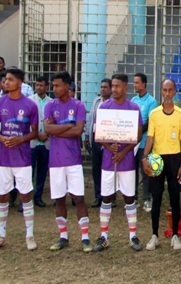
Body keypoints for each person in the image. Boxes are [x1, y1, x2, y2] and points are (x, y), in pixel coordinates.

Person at [93, 74, 143, 252]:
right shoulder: (104, 107)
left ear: (125, 88)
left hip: (127, 160)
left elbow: (137, 136)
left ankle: (132, 236)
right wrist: (109, 146)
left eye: (117, 86)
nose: (114, 89)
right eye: (112, 86)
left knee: (129, 198)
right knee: (106, 197)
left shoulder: (133, 108)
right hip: (109, 160)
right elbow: (98, 134)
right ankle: (104, 236)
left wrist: (123, 151)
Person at [43, 71, 91, 252]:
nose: (54, 89)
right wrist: (67, 126)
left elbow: (78, 131)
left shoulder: (77, 105)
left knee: (79, 198)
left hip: (73, 160)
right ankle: (63, 236)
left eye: (57, 85)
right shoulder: (49, 106)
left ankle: (85, 238)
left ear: (66, 86)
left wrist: (56, 129)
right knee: (59, 199)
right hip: (55, 161)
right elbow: (47, 129)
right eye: (53, 85)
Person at [142, 79, 181, 251]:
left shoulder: (180, 114)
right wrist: (144, 156)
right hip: (157, 159)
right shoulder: (154, 114)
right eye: (164, 90)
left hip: (175, 159)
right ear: (161, 92)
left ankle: (175, 235)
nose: (167, 94)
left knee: (174, 197)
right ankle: (154, 235)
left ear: (175, 92)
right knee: (157, 197)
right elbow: (150, 137)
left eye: (170, 90)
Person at [0, 68, 39, 250]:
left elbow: (35, 132)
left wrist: (20, 139)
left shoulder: (30, 105)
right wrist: (3, 138)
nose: (6, 82)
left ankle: (29, 235)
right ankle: (1, 234)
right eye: (5, 80)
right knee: (3, 195)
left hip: (22, 158)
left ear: (19, 83)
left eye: (10, 80)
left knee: (25, 195)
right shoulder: (1, 102)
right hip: (3, 157)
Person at [131, 72, 158, 212]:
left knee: (145, 172)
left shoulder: (151, 101)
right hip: (133, 143)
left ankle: (147, 199)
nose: (135, 85)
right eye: (134, 82)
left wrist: (138, 133)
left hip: (143, 143)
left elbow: (150, 123)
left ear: (144, 84)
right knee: (133, 171)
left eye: (137, 82)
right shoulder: (133, 100)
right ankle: (134, 198)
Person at [85, 78, 111, 208]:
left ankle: (110, 197)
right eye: (101, 87)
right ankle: (98, 196)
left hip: (109, 140)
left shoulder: (113, 103)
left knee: (108, 169)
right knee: (96, 169)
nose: (103, 89)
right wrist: (87, 135)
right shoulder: (96, 101)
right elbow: (90, 118)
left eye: (106, 87)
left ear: (111, 89)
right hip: (95, 138)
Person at [28, 76, 51, 208]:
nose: (38, 87)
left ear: (46, 87)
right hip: (32, 142)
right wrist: (37, 135)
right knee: (28, 173)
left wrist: (45, 134)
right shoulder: (29, 101)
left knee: (42, 172)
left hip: (46, 143)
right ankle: (25, 200)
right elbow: (27, 122)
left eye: (41, 85)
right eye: (37, 85)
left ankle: (38, 197)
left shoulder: (51, 102)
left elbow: (53, 121)